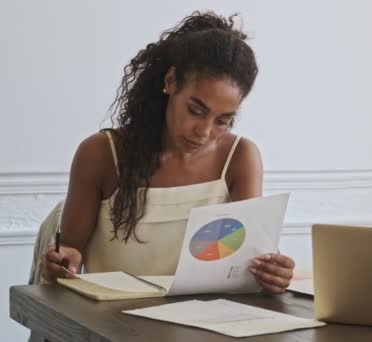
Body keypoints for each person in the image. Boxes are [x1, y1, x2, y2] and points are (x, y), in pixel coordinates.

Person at [41, 11, 294, 294]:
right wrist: (64, 262)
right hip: (112, 327)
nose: (205, 131)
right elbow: (70, 256)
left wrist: (272, 273)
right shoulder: (101, 154)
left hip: (203, 325)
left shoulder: (239, 157)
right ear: (171, 81)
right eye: (196, 110)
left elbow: (249, 258)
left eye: (223, 120)